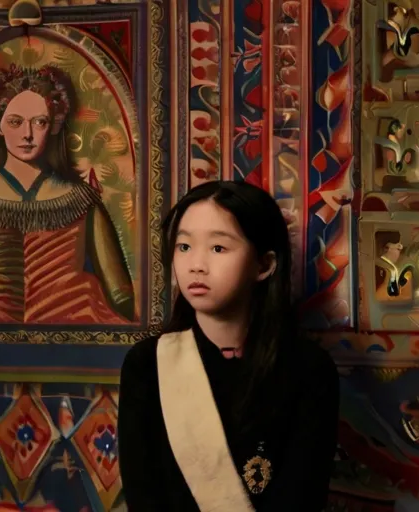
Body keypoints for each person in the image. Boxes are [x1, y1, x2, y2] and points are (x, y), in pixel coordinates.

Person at [118, 180, 340, 511]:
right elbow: (144, 495)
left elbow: (302, 497)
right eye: (184, 247)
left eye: (218, 248)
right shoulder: (148, 365)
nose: (195, 264)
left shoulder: (309, 369)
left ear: (263, 265)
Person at [0, 64, 135, 324]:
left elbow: (119, 292)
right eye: (16, 122)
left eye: (39, 122)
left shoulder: (83, 200)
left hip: (74, 318)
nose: (27, 134)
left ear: (54, 126)